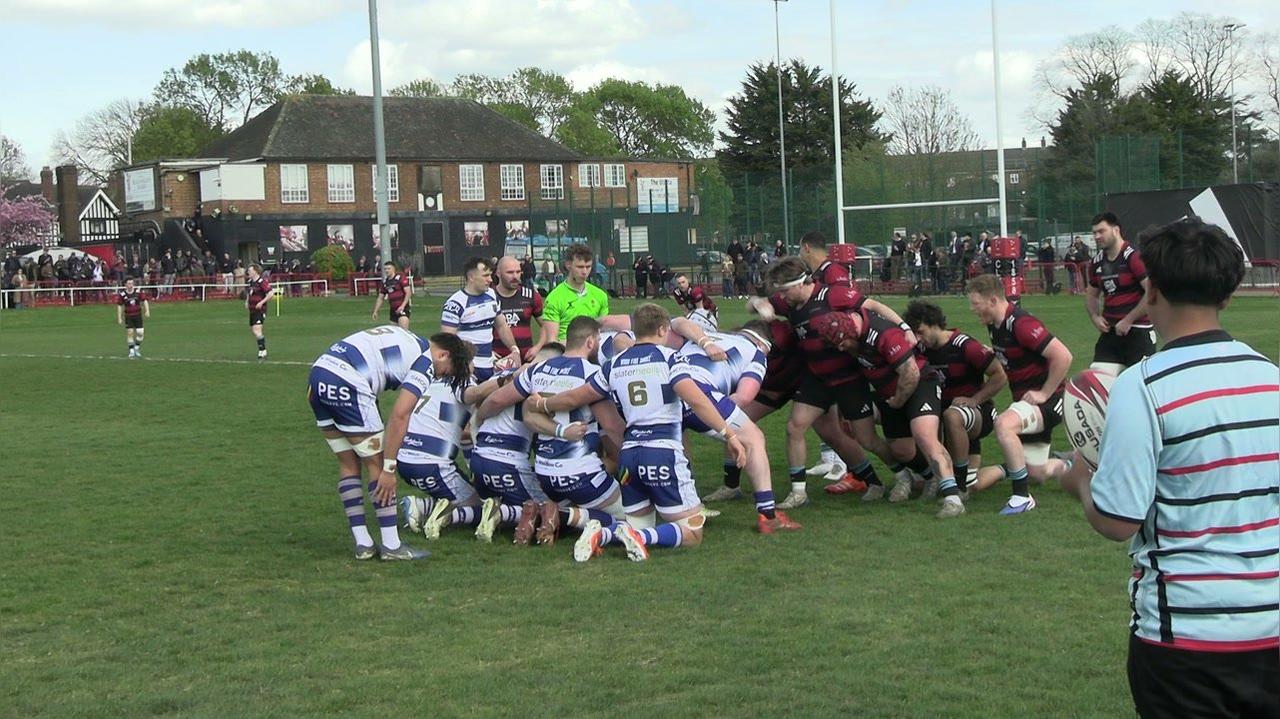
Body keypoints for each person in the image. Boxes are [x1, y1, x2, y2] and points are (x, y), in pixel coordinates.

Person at [1059, 217, 1279, 719]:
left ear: (1151, 289)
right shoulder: (1271, 377)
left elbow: (1118, 522)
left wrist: (1079, 481)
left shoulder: (1142, 386)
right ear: (1227, 295)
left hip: (1184, 638)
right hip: (1271, 627)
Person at [532, 305, 748, 561]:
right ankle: (640, 538)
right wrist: (729, 435)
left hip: (629, 455)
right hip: (663, 452)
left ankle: (603, 535)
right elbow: (698, 401)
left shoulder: (613, 365)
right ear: (662, 329)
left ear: (633, 330)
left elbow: (576, 397)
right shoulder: (670, 358)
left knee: (639, 523)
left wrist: (544, 404)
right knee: (692, 531)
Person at [476, 317, 632, 556]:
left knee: (578, 503)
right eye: (598, 340)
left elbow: (497, 400)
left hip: (546, 473)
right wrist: (631, 457)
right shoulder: (593, 373)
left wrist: (478, 419)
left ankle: (549, 512)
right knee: (631, 515)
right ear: (590, 341)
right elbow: (611, 426)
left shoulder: (538, 369)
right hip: (581, 473)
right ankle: (572, 519)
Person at [815, 308, 966, 518]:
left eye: (842, 343)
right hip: (890, 393)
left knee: (925, 436)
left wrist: (898, 401)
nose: (841, 349)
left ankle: (953, 498)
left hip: (920, 383)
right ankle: (927, 477)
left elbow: (911, 373)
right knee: (901, 450)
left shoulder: (884, 334)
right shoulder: (851, 334)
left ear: (851, 332)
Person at [305, 324, 431, 560]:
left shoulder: (406, 336)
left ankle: (363, 543)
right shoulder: (427, 360)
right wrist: (390, 467)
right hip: (347, 382)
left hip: (318, 374)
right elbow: (400, 414)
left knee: (348, 464)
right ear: (444, 354)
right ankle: (392, 547)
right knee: (377, 465)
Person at [381, 333, 508, 542]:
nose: (474, 368)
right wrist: (503, 380)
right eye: (472, 363)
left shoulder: (431, 380)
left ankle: (420, 506)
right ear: (464, 363)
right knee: (481, 506)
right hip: (431, 463)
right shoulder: (461, 381)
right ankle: (440, 515)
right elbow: (474, 393)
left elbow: (465, 433)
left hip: (404, 459)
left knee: (462, 494)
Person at [966, 275, 1072, 514]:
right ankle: (1075, 464)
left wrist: (1045, 393)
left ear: (992, 300)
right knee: (1038, 472)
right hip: (1027, 403)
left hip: (1050, 402)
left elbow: (1063, 356)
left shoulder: (1020, 324)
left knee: (1003, 424)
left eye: (975, 303)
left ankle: (1022, 497)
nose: (972, 309)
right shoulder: (995, 324)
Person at [903, 300, 1007, 498]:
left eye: (921, 331)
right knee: (974, 484)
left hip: (978, 414)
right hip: (952, 423)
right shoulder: (922, 350)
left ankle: (958, 483)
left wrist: (976, 399)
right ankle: (1008, 468)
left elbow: (999, 376)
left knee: (952, 415)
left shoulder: (965, 346)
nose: (918, 338)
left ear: (934, 323)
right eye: (914, 333)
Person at [1087, 212, 1156, 375]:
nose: (1097, 236)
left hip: (1138, 331)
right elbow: (1091, 294)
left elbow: (1152, 291)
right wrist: (1095, 317)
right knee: (1100, 381)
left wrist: (1128, 320)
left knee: (1140, 385)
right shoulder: (1096, 262)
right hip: (1110, 334)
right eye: (1094, 232)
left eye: (1101, 231)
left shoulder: (1133, 257)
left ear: (1116, 230)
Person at [441, 257, 520, 384]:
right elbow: (447, 340)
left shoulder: (491, 295)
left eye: (490, 275)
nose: (490, 279)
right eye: (485, 275)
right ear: (471, 277)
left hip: (489, 366)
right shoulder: (455, 303)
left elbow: (502, 326)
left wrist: (514, 349)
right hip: (468, 370)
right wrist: (464, 362)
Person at [541, 244, 609, 344]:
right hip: (567, 353)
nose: (585, 272)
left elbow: (604, 331)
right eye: (580, 267)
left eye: (588, 266)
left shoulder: (600, 295)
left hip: (594, 351)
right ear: (568, 265)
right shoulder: (554, 298)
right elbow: (552, 341)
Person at [492, 256, 546, 363]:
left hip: (526, 360)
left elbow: (546, 325)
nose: (515, 276)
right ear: (498, 273)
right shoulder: (489, 297)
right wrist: (487, 352)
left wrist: (538, 347)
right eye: (510, 272)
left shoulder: (531, 296)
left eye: (518, 272)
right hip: (496, 361)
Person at [371, 261, 412, 329]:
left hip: (402, 308)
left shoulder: (400, 278)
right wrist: (375, 311)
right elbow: (380, 298)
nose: (387, 270)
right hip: (393, 309)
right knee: (395, 333)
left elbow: (408, 292)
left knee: (403, 331)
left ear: (393, 269)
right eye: (385, 269)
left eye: (389, 268)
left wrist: (402, 306)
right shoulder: (385, 282)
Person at [116, 278, 150, 358]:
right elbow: (119, 306)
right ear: (125, 285)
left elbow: (144, 301)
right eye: (129, 283)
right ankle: (131, 351)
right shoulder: (122, 295)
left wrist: (147, 311)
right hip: (128, 316)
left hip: (138, 315)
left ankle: (136, 347)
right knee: (130, 333)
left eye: (132, 283)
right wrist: (119, 318)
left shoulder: (137, 293)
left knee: (140, 333)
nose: (131, 285)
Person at [245, 264, 273, 360]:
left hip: (259, 310)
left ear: (255, 271)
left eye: (250, 270)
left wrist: (261, 302)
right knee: (254, 330)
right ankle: (262, 350)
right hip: (252, 310)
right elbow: (249, 293)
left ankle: (262, 351)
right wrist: (246, 302)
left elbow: (270, 293)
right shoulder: (250, 282)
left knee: (257, 330)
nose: (248, 272)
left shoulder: (262, 282)